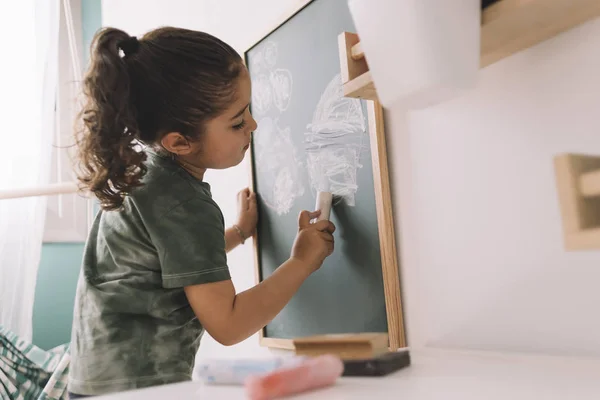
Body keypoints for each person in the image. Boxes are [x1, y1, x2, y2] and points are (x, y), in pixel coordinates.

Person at [67, 26, 336, 398]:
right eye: (238, 121)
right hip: (138, 388)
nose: (253, 126)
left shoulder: (142, 175)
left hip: (96, 381)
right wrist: (301, 262)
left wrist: (239, 233)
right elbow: (228, 324)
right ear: (179, 141)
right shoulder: (184, 203)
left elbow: (170, 262)